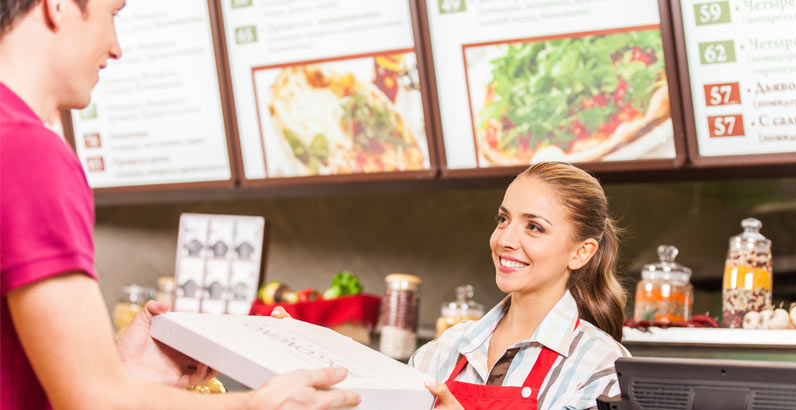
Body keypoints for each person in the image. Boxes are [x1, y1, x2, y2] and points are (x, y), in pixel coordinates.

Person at [0, 1, 360, 409]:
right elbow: (92, 401)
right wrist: (260, 404)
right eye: (112, 14)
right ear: (59, 6)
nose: (116, 48)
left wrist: (118, 369)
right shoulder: (30, 153)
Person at [412, 162, 630, 409]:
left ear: (581, 252)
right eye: (503, 219)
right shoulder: (447, 347)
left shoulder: (601, 366)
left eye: (534, 227)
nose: (504, 239)